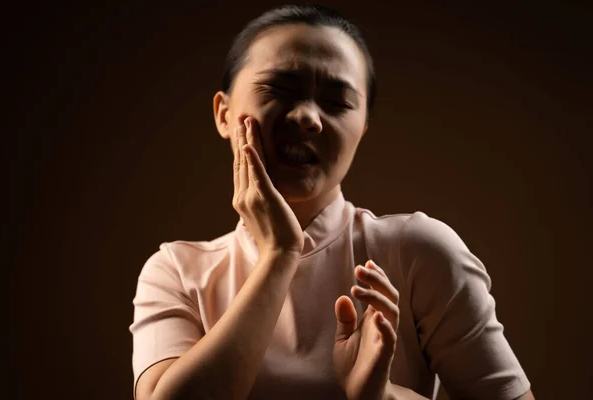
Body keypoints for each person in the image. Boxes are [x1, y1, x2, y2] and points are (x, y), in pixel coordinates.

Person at [129, 4, 535, 400]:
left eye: (338, 102)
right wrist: (280, 254)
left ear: (362, 129)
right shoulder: (177, 272)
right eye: (280, 89)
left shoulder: (419, 253)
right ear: (223, 113)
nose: (307, 116)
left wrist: (384, 397)